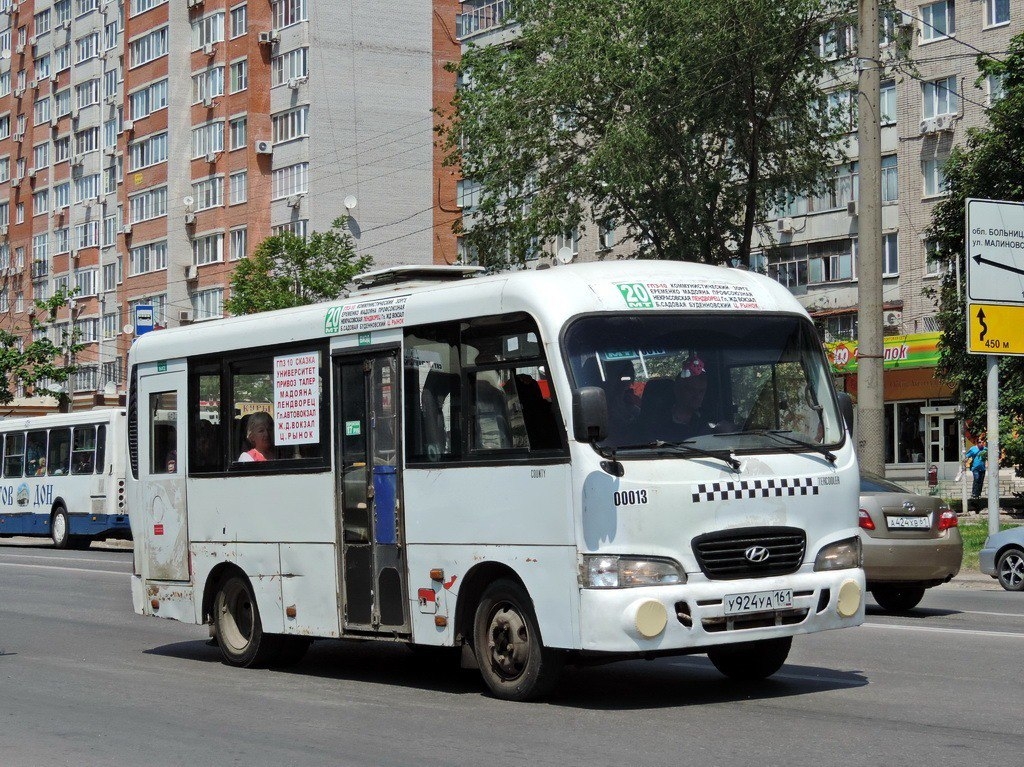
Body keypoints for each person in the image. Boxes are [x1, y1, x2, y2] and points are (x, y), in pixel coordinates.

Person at [964, 436, 988, 500]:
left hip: (982, 468)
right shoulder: (973, 449)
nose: (981, 443)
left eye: (982, 442)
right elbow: (967, 456)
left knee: (981, 481)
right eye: (980, 442)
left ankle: (978, 494)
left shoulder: (985, 449)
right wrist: (965, 461)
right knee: (976, 479)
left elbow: (989, 456)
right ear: (977, 443)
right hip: (975, 468)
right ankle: (974, 493)